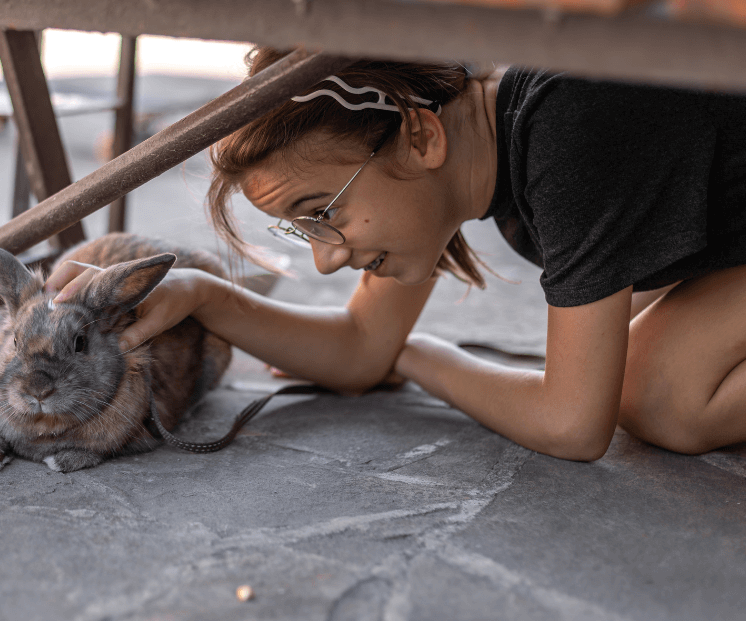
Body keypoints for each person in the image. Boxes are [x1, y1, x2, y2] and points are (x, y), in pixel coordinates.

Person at [46, 46, 746, 462]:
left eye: (321, 214)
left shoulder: (569, 132)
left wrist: (420, 354)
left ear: (417, 136)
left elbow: (572, 421)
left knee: (654, 393)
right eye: (300, 230)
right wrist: (201, 296)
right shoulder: (464, 149)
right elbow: (358, 349)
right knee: (641, 321)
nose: (324, 260)